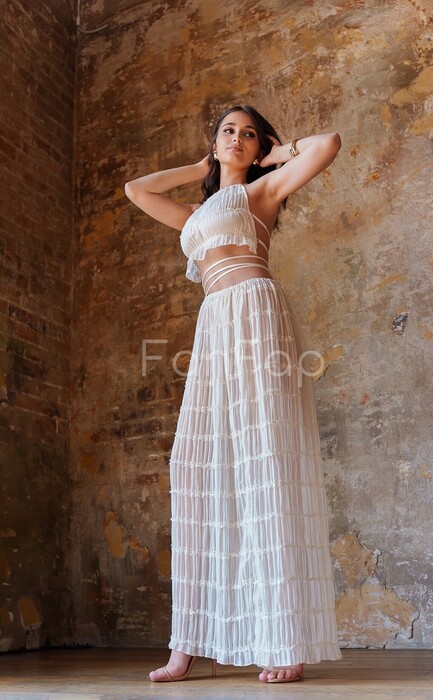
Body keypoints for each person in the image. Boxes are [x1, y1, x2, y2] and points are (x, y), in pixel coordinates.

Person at [125, 105, 342, 684]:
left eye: (249, 134)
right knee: (196, 467)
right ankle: (187, 644)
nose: (238, 139)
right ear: (215, 142)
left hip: (256, 314)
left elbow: (327, 143)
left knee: (264, 463)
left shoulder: (261, 192)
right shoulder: (197, 214)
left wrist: (276, 153)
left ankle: (284, 641)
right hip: (215, 325)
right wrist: (199, 166)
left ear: (260, 145)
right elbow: (137, 190)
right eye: (229, 132)